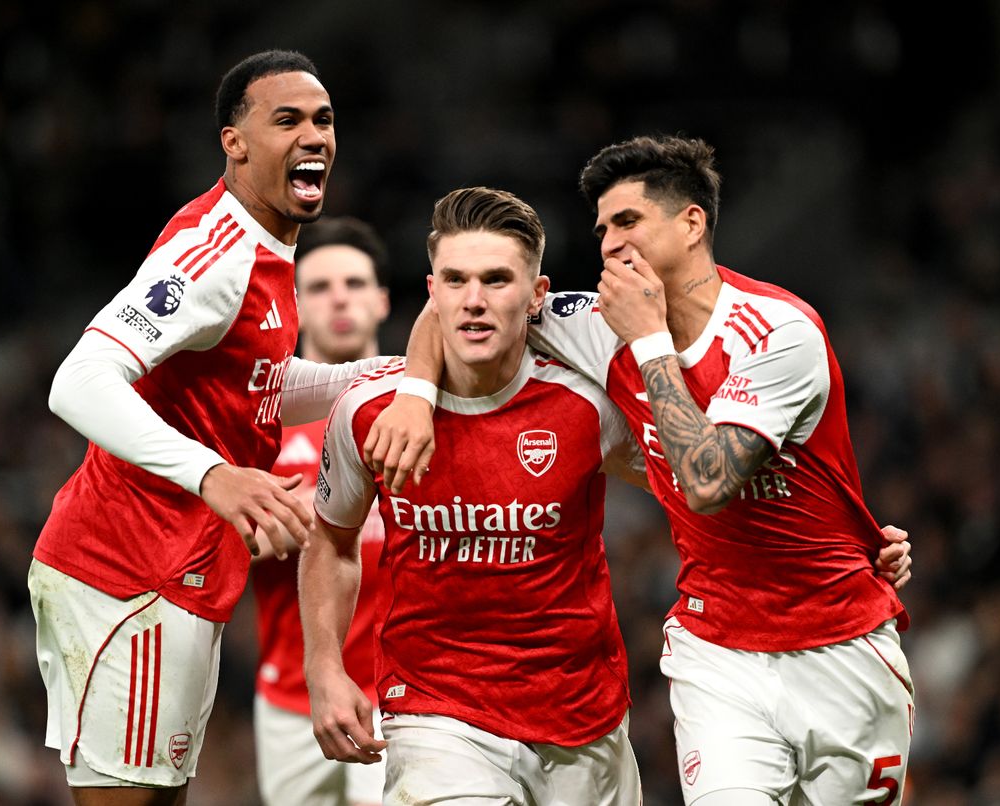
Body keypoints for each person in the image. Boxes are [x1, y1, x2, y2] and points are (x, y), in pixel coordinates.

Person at [370, 135, 915, 805]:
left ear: (692, 223)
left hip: (842, 644)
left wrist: (648, 340)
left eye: (627, 222)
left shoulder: (778, 332)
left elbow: (707, 482)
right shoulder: (595, 323)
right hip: (718, 653)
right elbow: (460, 302)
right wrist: (416, 395)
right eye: (601, 229)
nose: (607, 245)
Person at [27, 50, 387, 805]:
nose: (313, 134)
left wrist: (381, 376)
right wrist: (214, 474)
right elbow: (79, 380)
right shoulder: (213, 254)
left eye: (323, 119)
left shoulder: (271, 251)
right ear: (235, 141)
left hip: (178, 571)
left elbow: (256, 390)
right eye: (285, 119)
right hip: (126, 570)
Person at [300, 187, 648, 805]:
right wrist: (324, 669)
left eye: (497, 280)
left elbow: (696, 496)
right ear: (431, 292)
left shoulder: (587, 409)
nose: (475, 301)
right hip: (436, 715)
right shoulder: (366, 414)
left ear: (537, 296)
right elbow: (331, 540)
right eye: (455, 280)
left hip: (582, 714)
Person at [252, 216, 390, 806]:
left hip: (404, 692)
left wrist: (314, 511)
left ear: (383, 299)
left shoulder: (417, 408)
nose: (340, 297)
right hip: (289, 694)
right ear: (295, 307)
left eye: (355, 283)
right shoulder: (260, 425)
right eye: (319, 286)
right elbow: (229, 538)